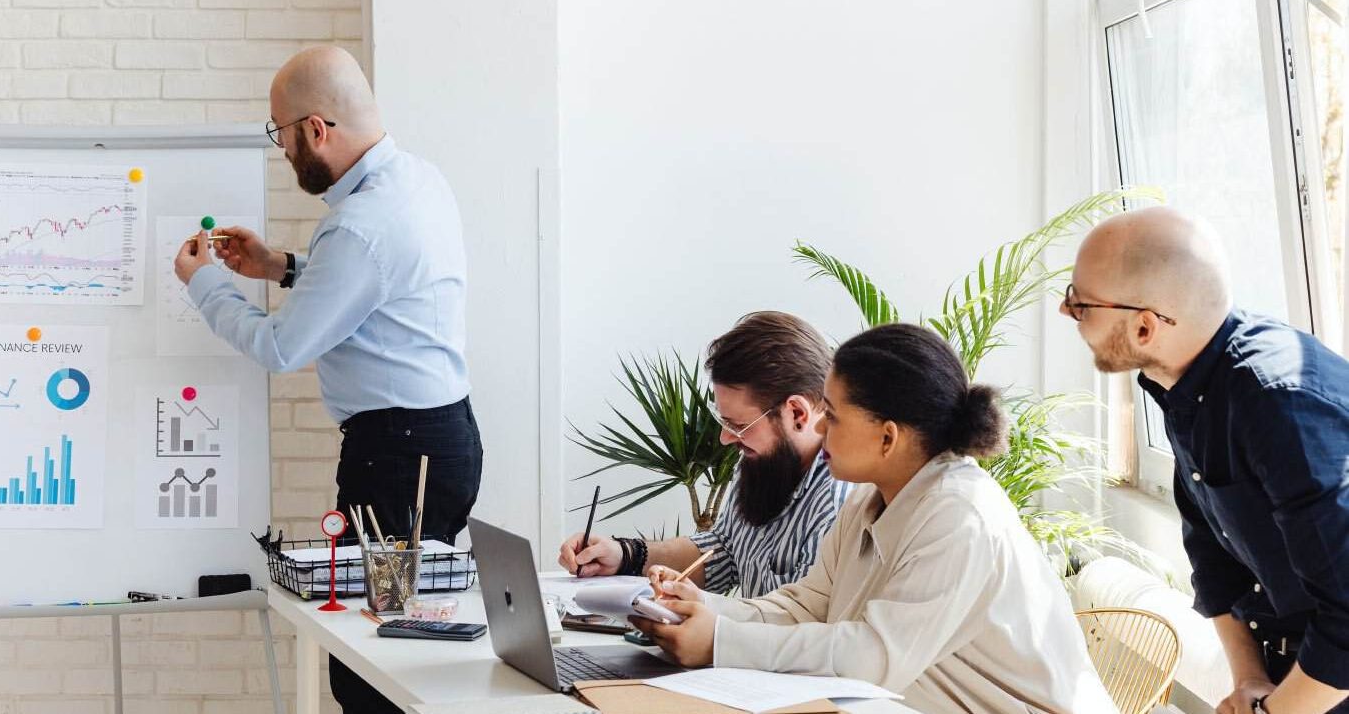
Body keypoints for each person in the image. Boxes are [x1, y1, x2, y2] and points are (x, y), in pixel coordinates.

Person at [172, 45, 482, 714]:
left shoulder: (359, 226)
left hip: (397, 461)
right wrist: (280, 265)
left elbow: (280, 345)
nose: (283, 150)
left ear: (316, 129)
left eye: (281, 133)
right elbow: (371, 288)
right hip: (440, 441)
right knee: (400, 648)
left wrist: (205, 286)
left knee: (371, 669)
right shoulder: (417, 181)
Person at [634, 324, 1116, 714]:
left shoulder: (960, 515)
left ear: (888, 438)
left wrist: (719, 639)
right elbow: (808, 606)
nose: (819, 426)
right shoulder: (869, 499)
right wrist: (704, 608)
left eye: (833, 415)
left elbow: (872, 658)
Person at [1064, 206, 1349, 714]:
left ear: (1145, 327)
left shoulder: (1276, 404)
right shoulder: (1185, 384)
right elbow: (1214, 559)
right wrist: (1249, 678)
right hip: (1292, 672)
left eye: (1080, 302)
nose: (1067, 312)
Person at [557, 311, 849, 598]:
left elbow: (802, 622)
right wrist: (625, 554)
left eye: (739, 426)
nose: (725, 438)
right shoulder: (762, 462)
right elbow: (722, 551)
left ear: (797, 413)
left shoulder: (838, 507)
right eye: (723, 422)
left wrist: (707, 622)